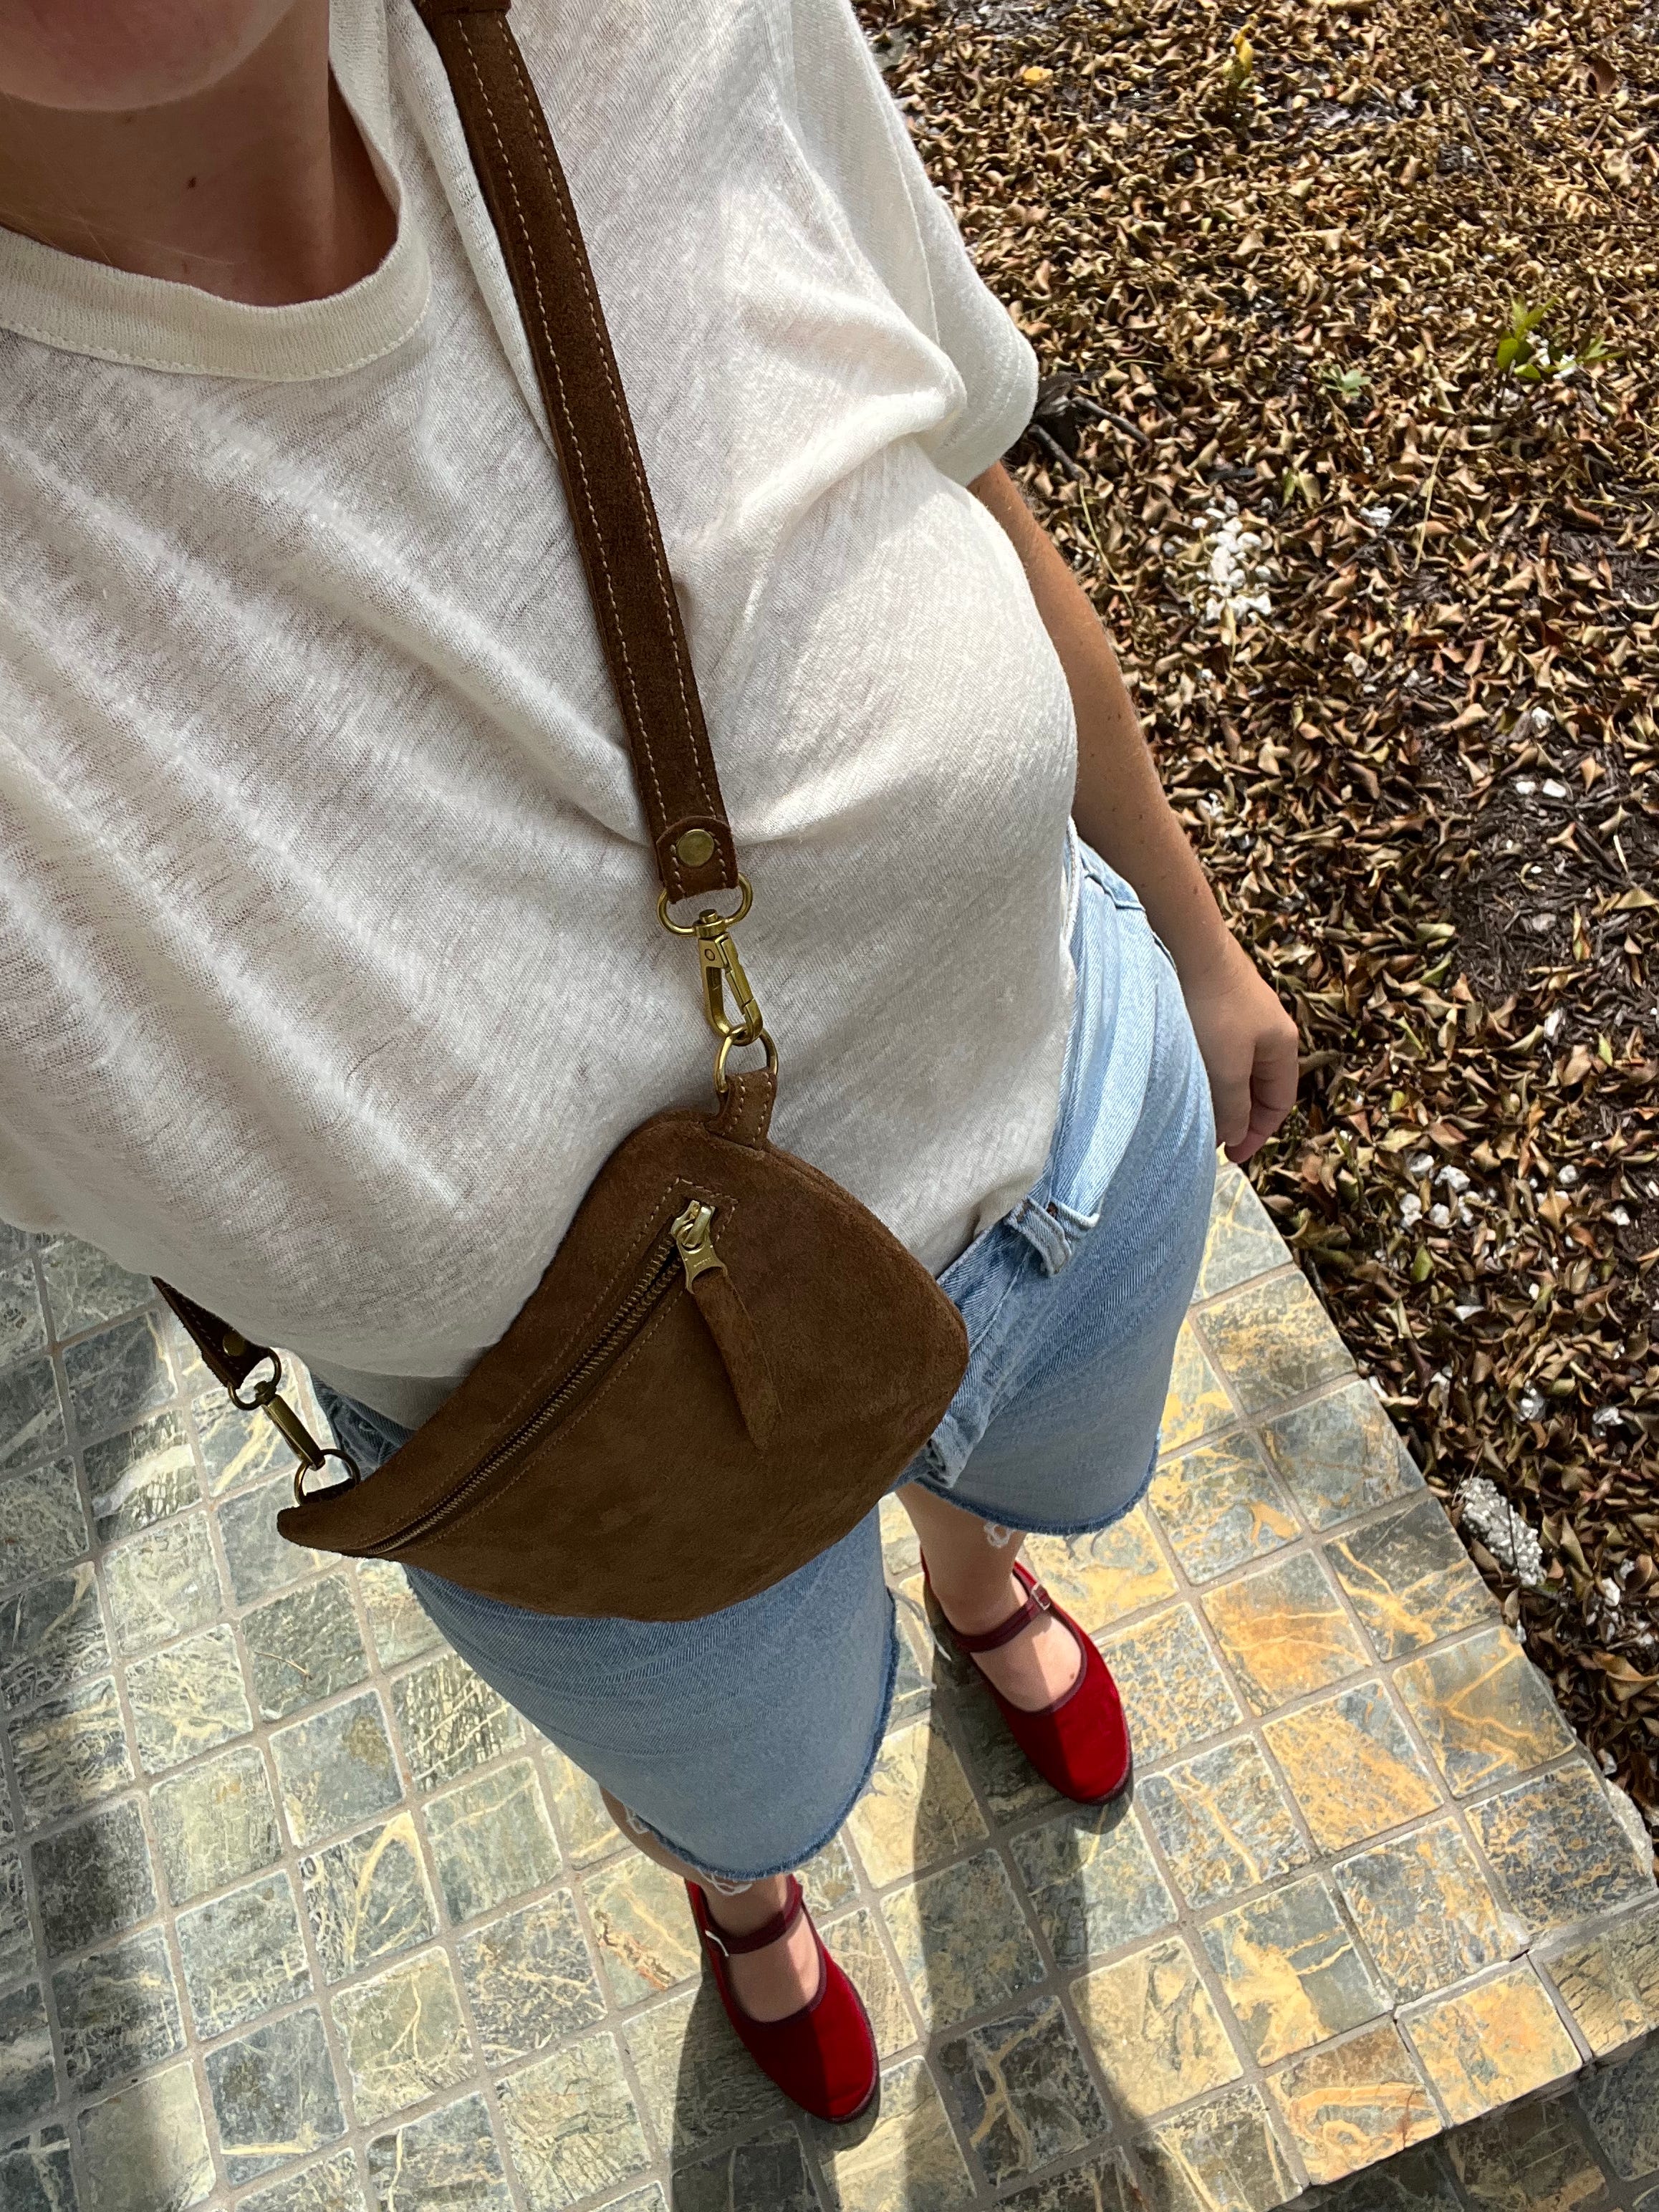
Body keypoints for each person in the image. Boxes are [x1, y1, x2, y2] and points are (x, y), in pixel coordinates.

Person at [0, 0, 1298, 2124]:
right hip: (605, 1480)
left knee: (1014, 1475)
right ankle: (743, 1883)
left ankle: (974, 1561)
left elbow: (961, 474)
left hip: (1065, 1161)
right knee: (741, 1776)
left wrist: (1194, 934)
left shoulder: (672, 31)